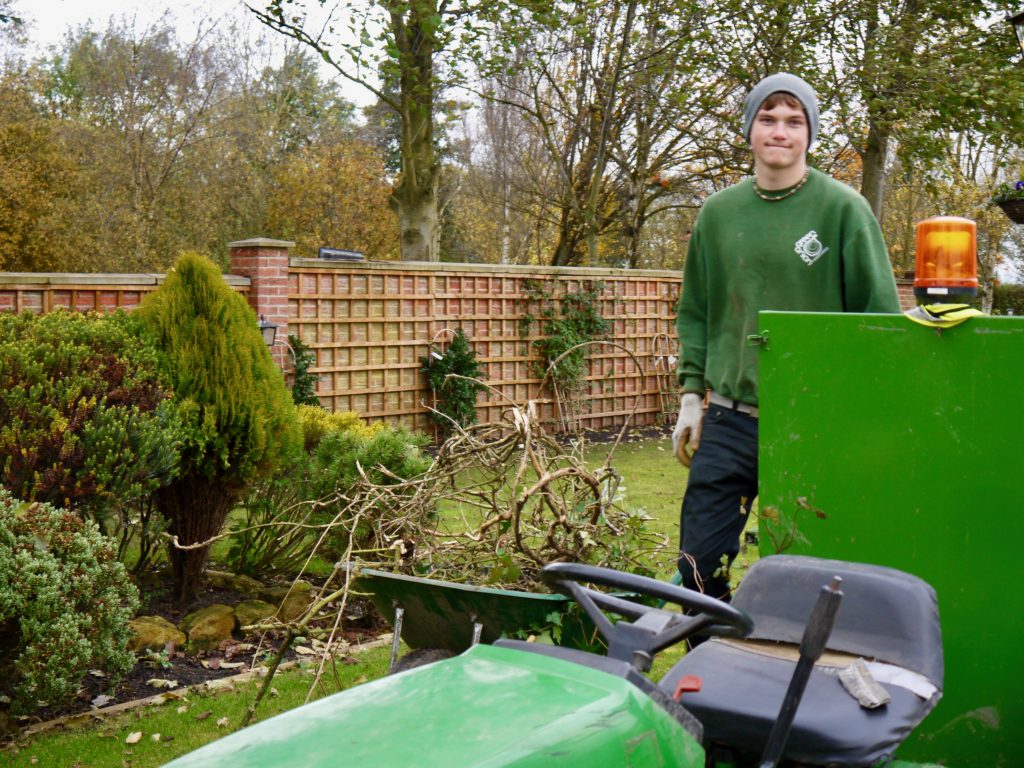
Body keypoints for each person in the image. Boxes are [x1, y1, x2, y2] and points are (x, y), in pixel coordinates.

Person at [672, 73, 900, 602]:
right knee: (698, 566)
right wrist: (690, 396)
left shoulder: (843, 211)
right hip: (730, 419)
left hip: (816, 421)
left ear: (810, 133)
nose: (780, 130)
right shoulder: (718, 214)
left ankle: (799, 675)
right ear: (749, 129)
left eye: (794, 121)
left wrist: (867, 419)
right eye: (767, 118)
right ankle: (711, 672)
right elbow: (697, 312)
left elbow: (879, 319)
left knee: (810, 575)